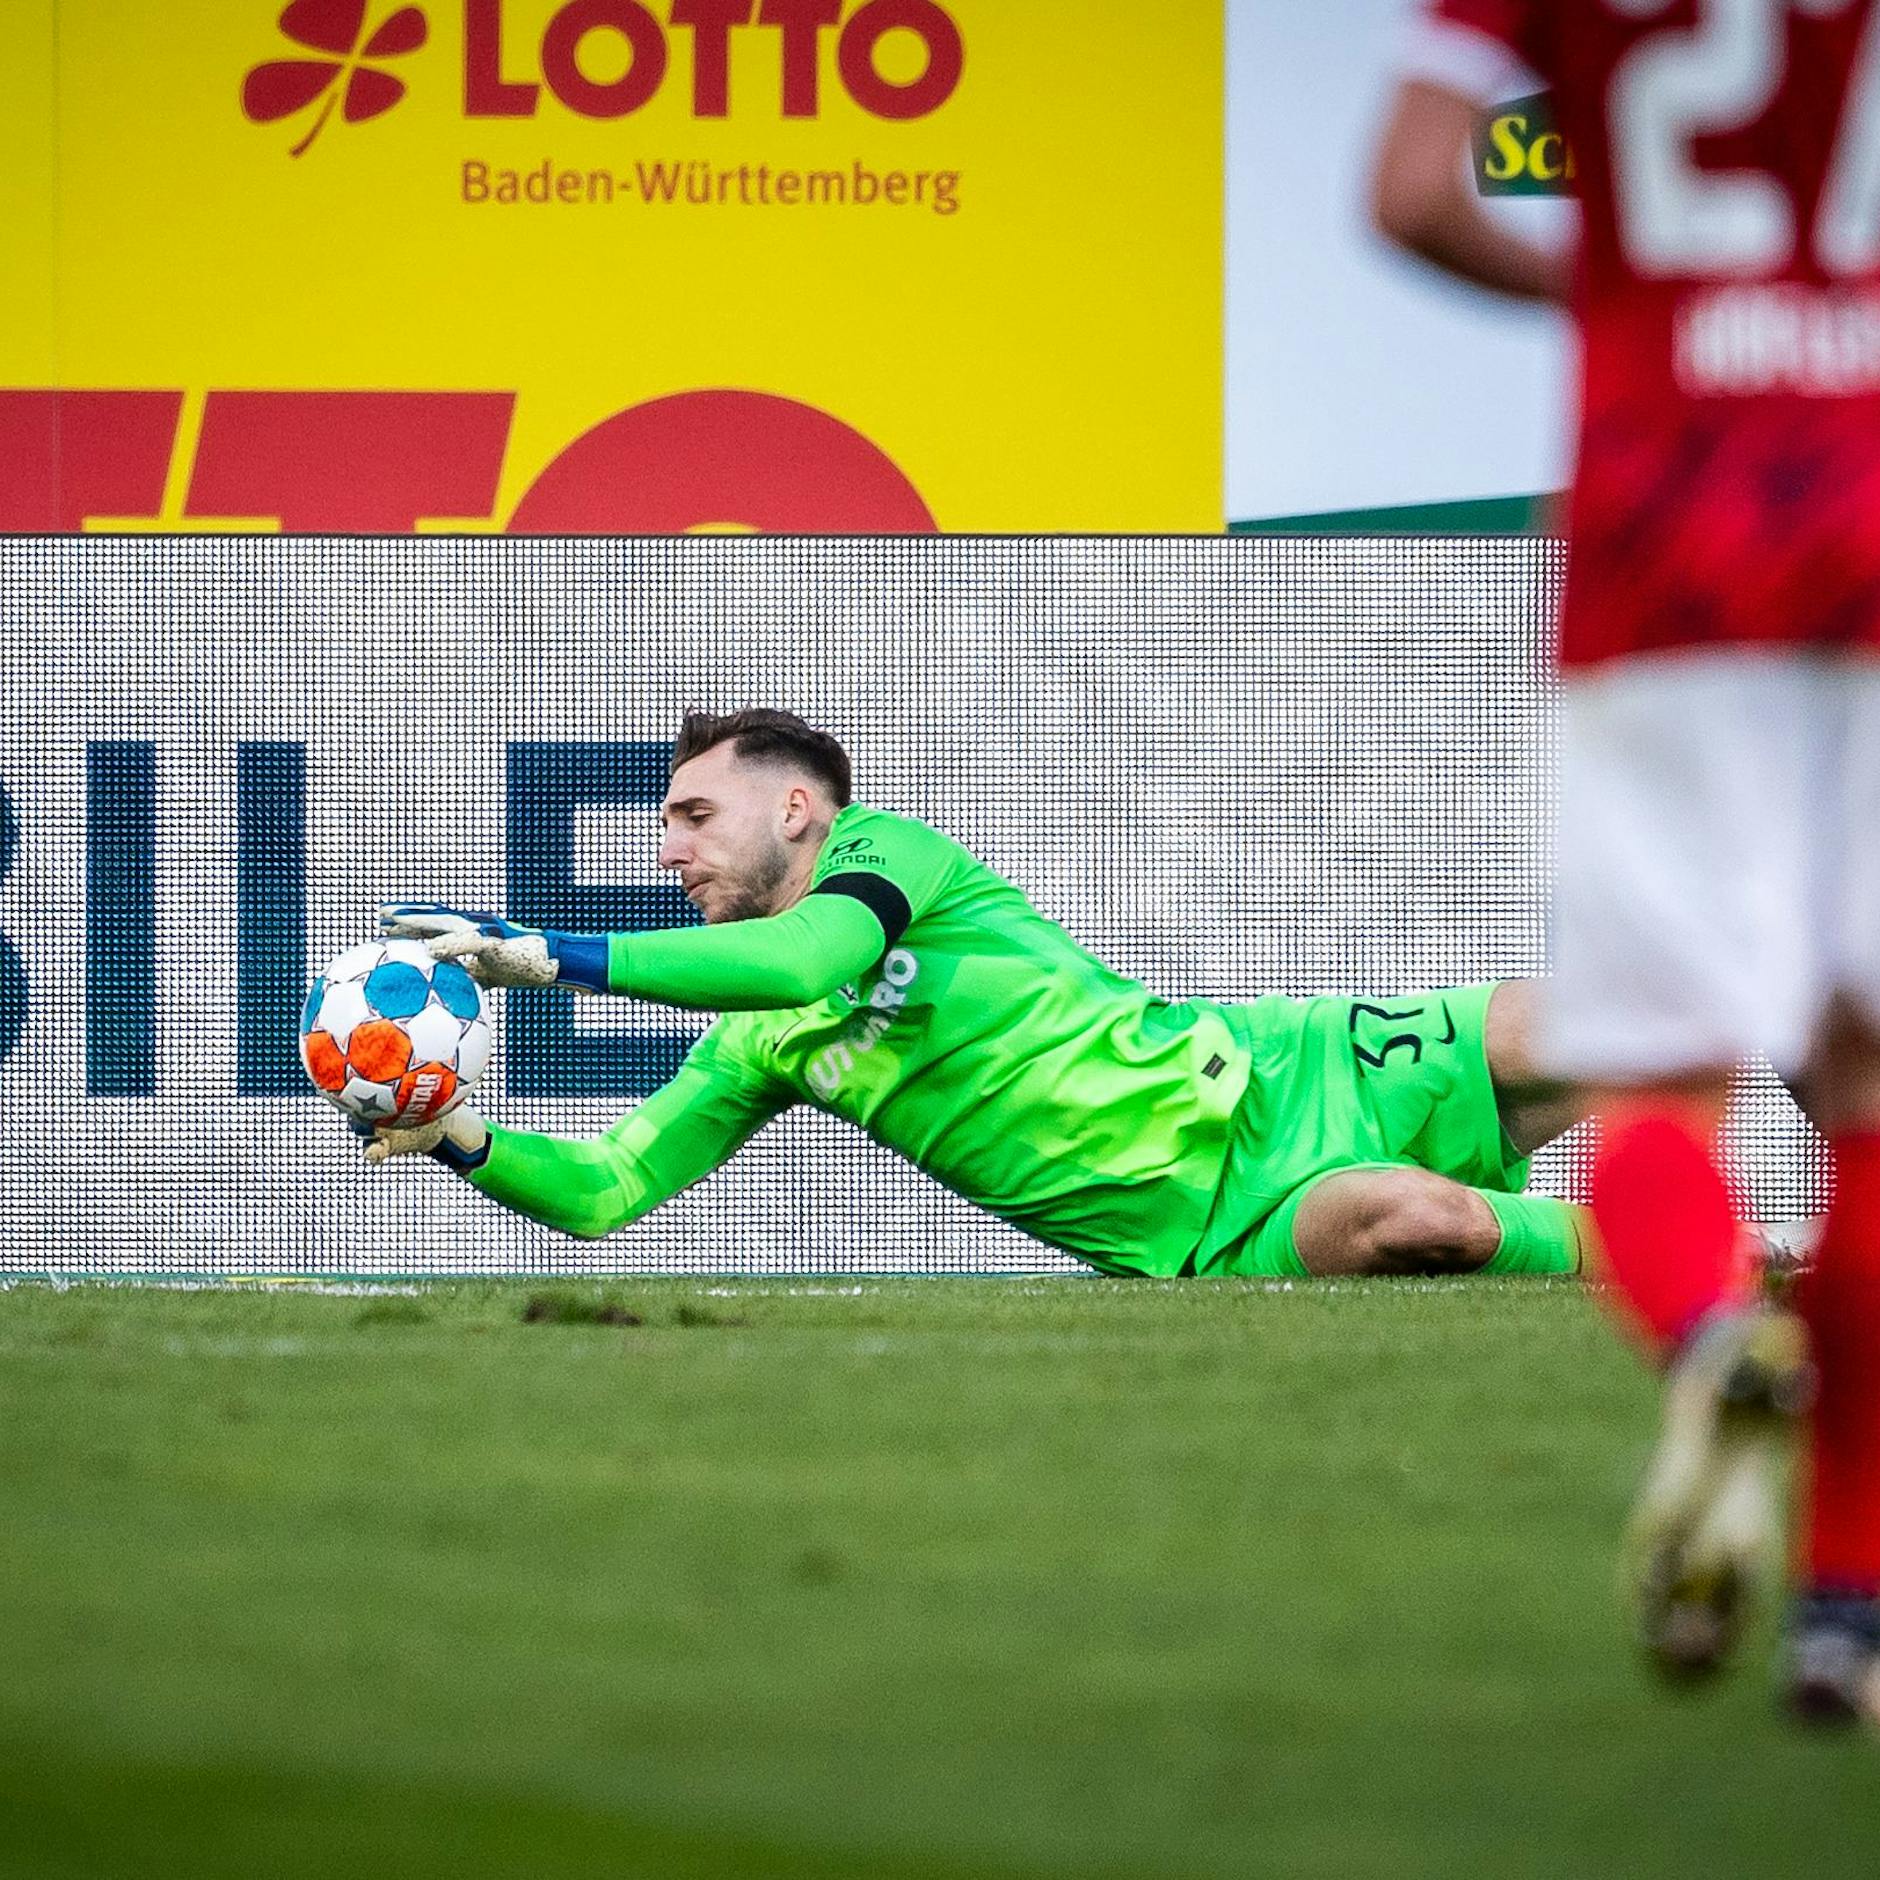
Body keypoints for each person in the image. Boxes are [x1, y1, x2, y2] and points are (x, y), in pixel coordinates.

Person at [1371, 0, 1880, 1722]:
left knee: (1660, 1097)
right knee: (1870, 1092)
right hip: (1867, 515)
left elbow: (1414, 191)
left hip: (1669, 546)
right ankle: (1850, 1603)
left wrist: (1616, 308)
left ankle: (1710, 1336)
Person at [364, 707, 1590, 1287]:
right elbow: (604, 1189)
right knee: (1440, 1226)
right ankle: (1734, 1264)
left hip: (1288, 1061)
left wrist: (550, 953)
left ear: (796, 807)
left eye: (691, 815)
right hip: (1215, 1228)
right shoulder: (755, 1043)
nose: (669, 850)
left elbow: (806, 958)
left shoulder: (891, 852)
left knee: (1615, 1013)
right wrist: (452, 1134)